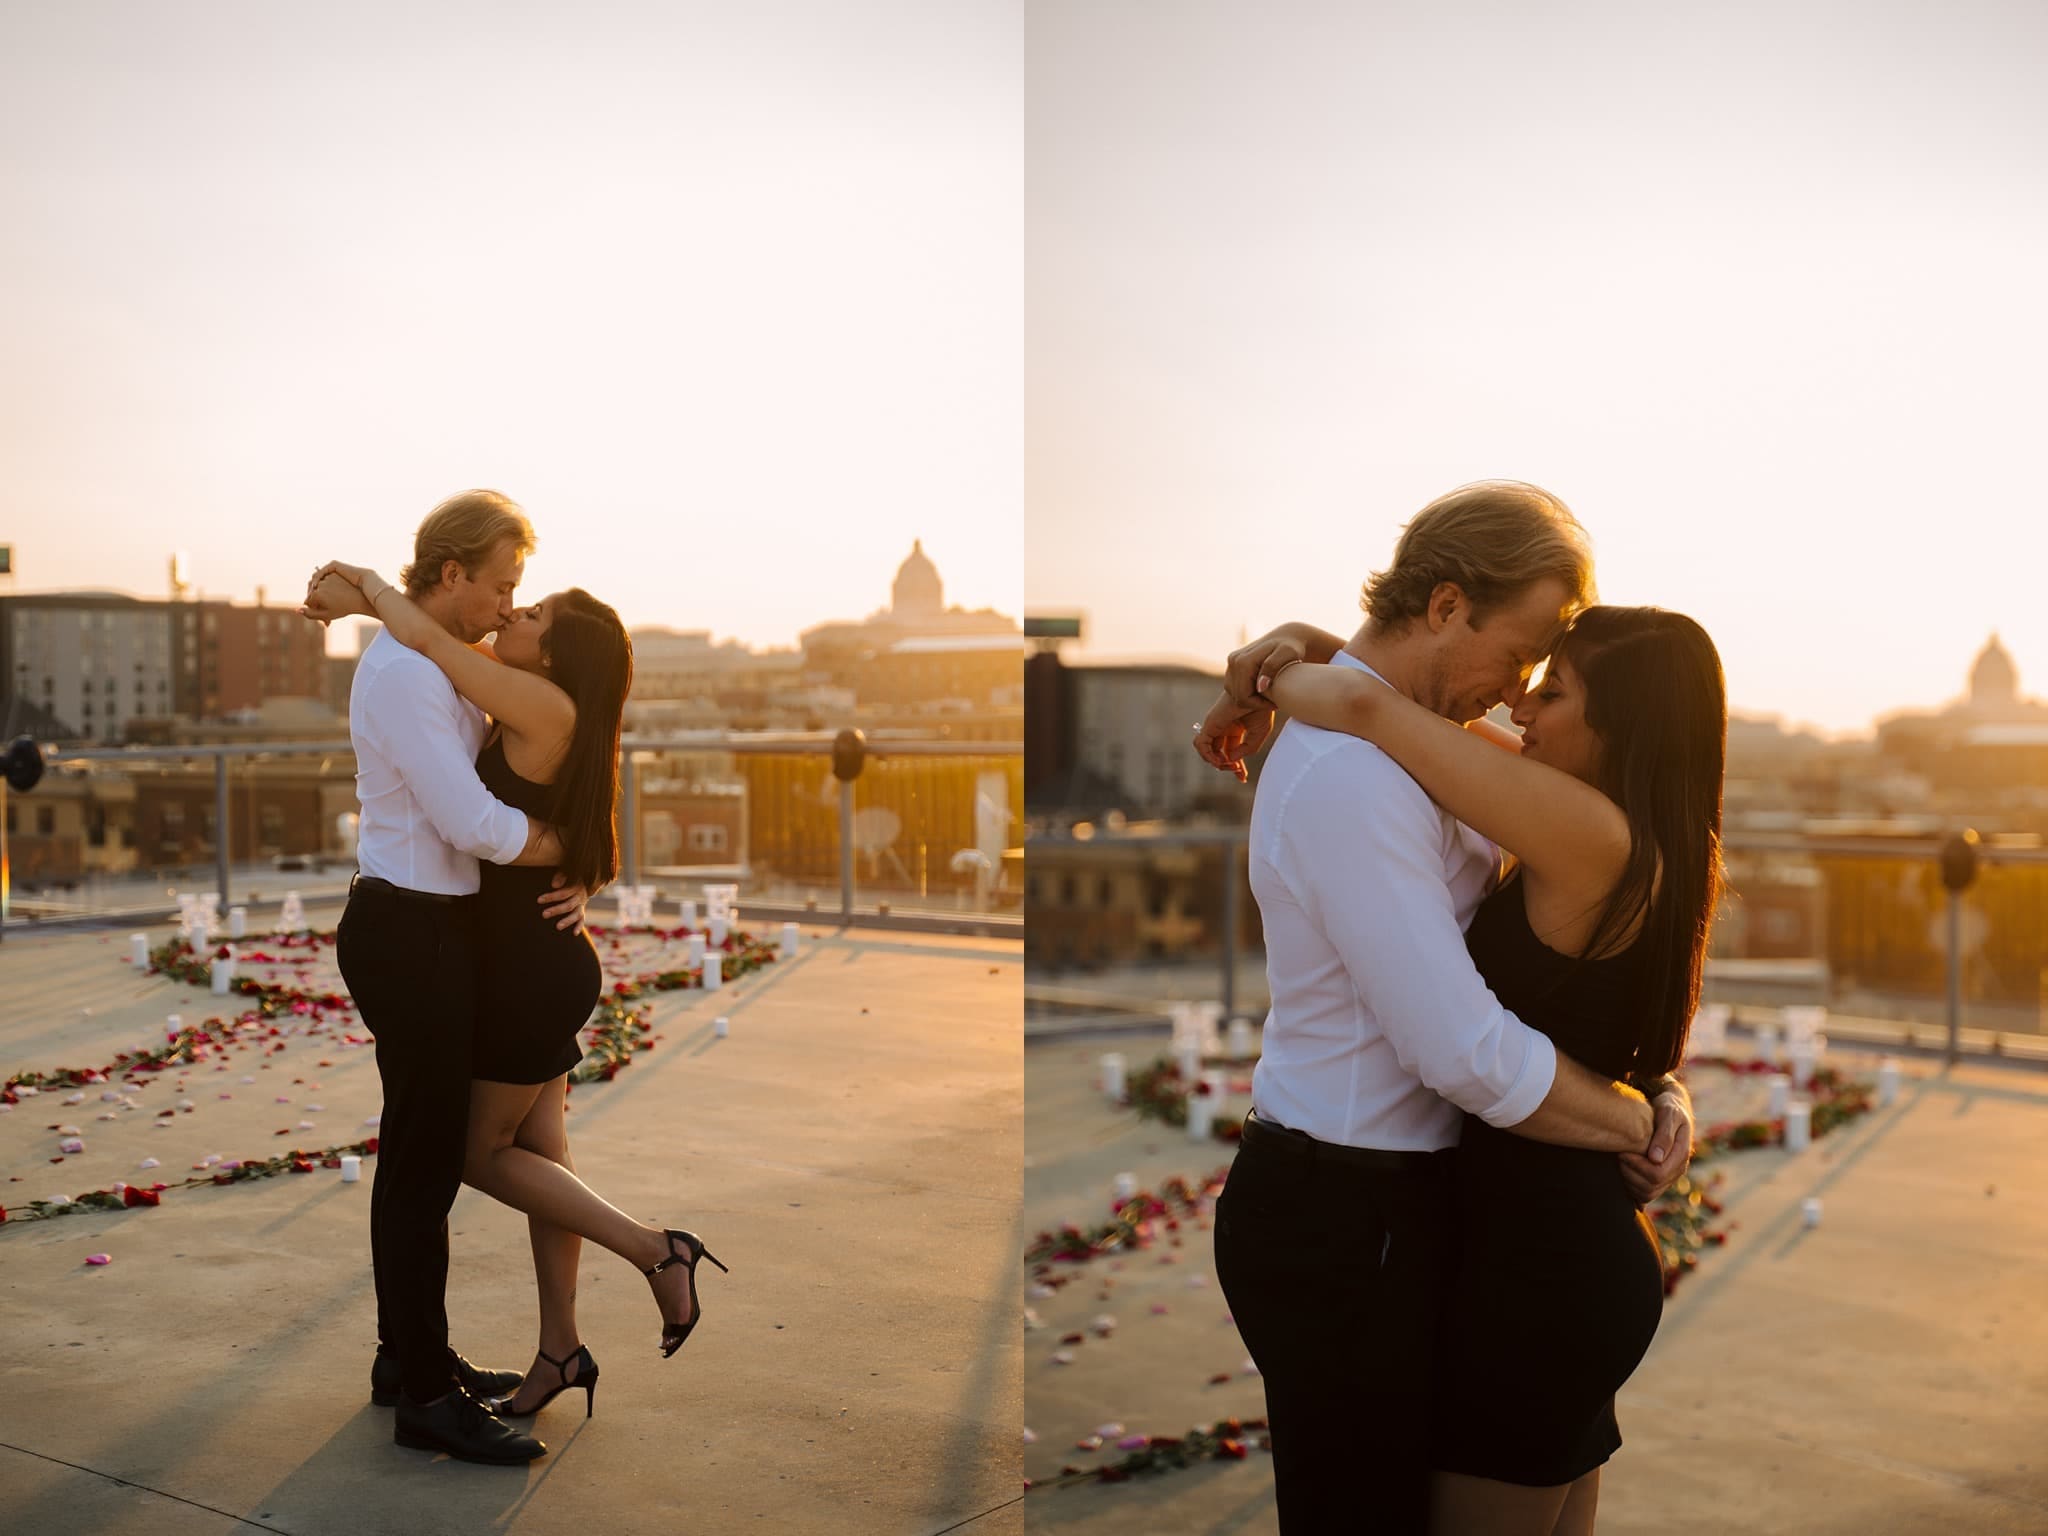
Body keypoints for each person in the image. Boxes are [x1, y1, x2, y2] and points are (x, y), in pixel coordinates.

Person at [1191, 481, 1698, 1536]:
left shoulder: (1415, 743)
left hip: (1423, 1213)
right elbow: (1463, 1054)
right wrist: (1632, 1119)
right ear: (1446, 606)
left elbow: (1382, 696)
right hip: (1346, 1214)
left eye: (1542, 678)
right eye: (1518, 655)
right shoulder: (1351, 779)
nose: (1515, 694)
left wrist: (1297, 655)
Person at [305, 541, 727, 1429]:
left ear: (556, 652)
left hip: (528, 969)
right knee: (544, 1158)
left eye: (531, 613)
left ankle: (656, 1250)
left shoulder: (535, 696)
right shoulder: (535, 693)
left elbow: (432, 644)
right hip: (531, 958)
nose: (513, 614)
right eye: (511, 596)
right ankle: (561, 1349)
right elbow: (443, 645)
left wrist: (367, 589)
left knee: (473, 1154)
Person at [310, 489, 584, 1465]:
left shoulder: (433, 663)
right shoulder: (404, 679)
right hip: (409, 932)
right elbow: (471, 824)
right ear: (452, 571)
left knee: (418, 1166)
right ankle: (423, 1392)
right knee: (422, 1174)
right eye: (501, 584)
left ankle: (408, 1360)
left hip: (433, 931)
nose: (509, 604)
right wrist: (564, 849)